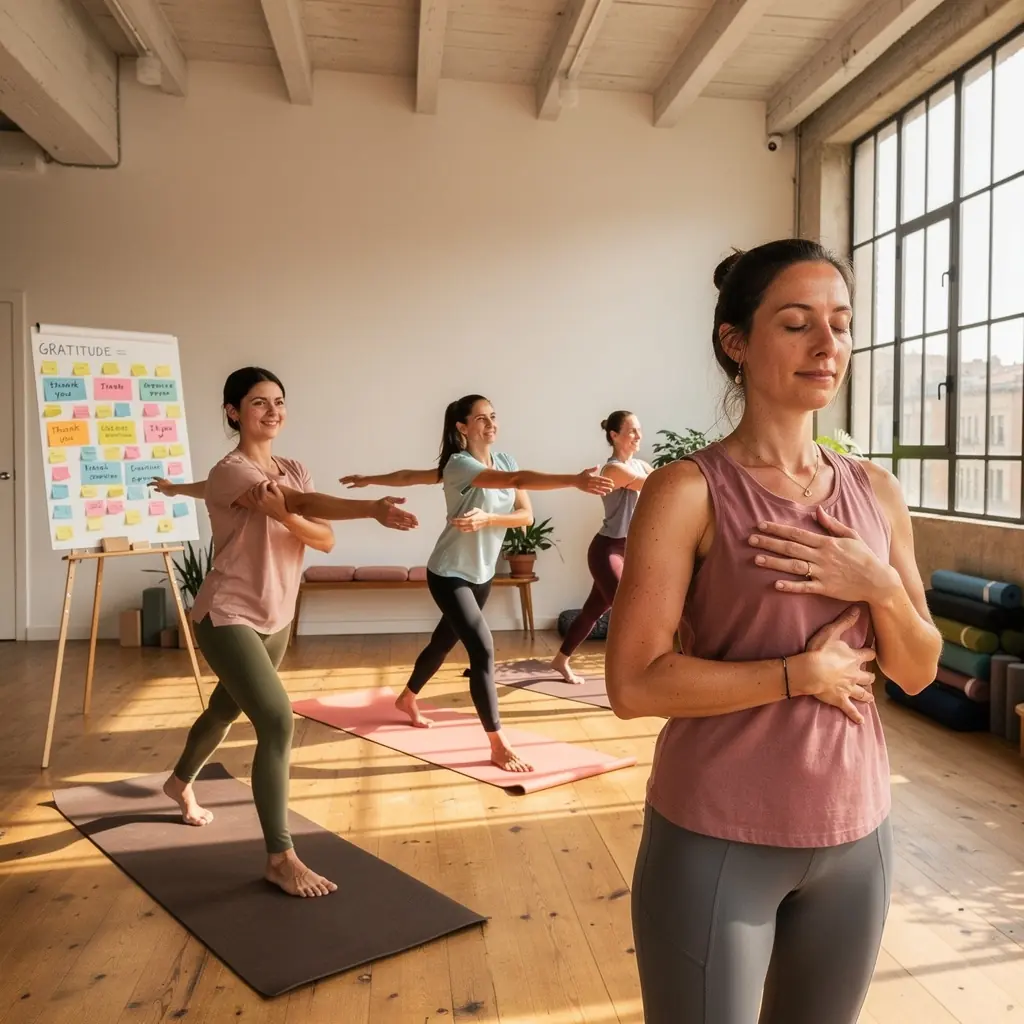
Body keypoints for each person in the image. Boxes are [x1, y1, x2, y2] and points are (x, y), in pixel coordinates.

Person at [605, 239, 941, 1023]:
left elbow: (920, 668)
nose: (828, 347)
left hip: (858, 834)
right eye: (797, 325)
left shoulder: (877, 492)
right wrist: (798, 674)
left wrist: (881, 586)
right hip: (717, 835)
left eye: (842, 324)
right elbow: (633, 684)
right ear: (736, 342)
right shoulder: (686, 491)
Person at [160, 366, 418, 899]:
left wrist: (286, 516)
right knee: (277, 722)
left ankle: (179, 782)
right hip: (227, 613)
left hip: (276, 616)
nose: (272, 411)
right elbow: (303, 506)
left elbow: (320, 538)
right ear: (233, 412)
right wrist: (369, 508)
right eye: (258, 402)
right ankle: (281, 857)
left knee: (223, 710)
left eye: (279, 401)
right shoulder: (229, 470)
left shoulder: (294, 466)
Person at [339, 394, 614, 772]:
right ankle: (498, 744)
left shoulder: (504, 460)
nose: (491, 424)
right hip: (449, 572)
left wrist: (488, 519)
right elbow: (508, 481)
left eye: (493, 416)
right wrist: (574, 481)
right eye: (481, 418)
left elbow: (525, 516)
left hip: (481, 574)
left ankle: (407, 697)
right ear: (462, 427)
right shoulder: (459, 465)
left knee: (442, 641)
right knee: (483, 651)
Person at [550, 410, 651, 684]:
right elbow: (654, 485)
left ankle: (561, 660)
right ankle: (628, 675)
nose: (638, 435)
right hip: (607, 551)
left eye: (639, 429)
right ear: (614, 436)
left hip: (629, 551)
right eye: (632, 431)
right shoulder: (612, 469)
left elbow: (659, 484)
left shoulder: (641, 465)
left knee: (593, 611)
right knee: (628, 610)